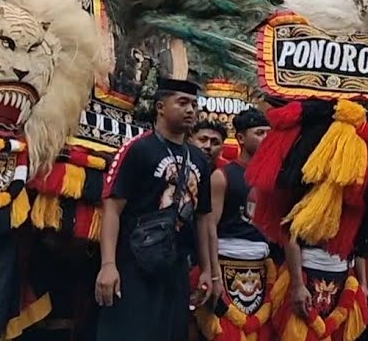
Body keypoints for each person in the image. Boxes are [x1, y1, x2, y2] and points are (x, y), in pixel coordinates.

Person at [95, 78, 219, 341]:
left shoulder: (198, 159)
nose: (190, 110)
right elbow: (112, 208)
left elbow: (204, 220)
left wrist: (209, 270)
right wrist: (108, 265)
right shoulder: (138, 149)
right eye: (182, 102)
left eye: (194, 105)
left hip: (176, 270)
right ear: (160, 107)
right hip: (134, 265)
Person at [196, 108, 280, 340]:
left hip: (261, 270)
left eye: (268, 134)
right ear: (241, 138)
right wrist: (213, 275)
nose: (266, 139)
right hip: (225, 265)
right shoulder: (222, 176)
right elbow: (209, 227)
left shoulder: (273, 180)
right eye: (259, 133)